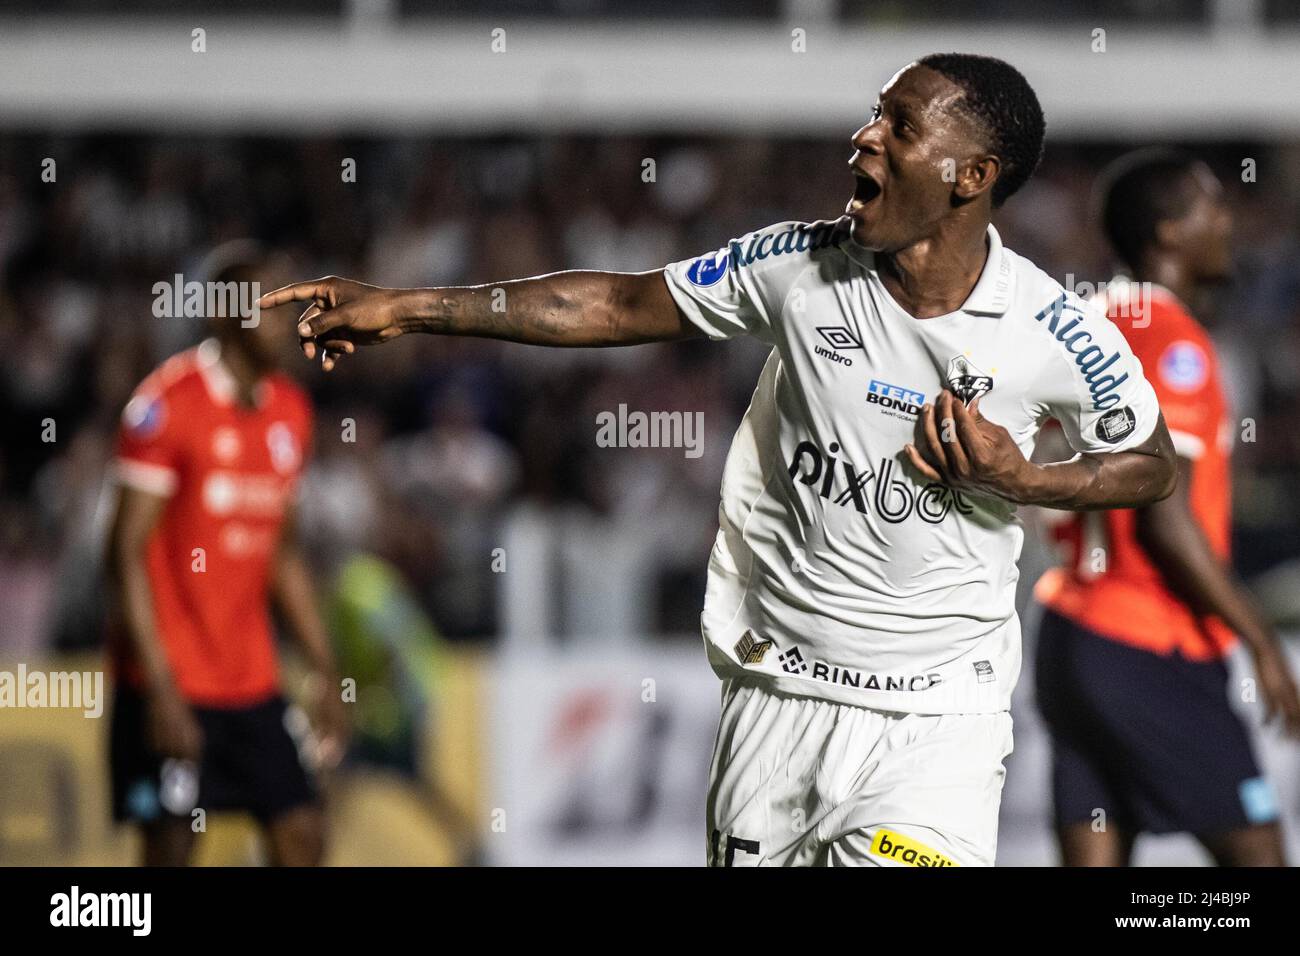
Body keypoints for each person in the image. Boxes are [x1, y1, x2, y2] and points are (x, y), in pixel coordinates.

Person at [260, 53, 1176, 866]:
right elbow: (617, 305)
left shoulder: (1053, 329)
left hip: (934, 722)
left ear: (971, 176)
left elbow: (1148, 460)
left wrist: (1025, 480)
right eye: (874, 113)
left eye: (899, 126)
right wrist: (409, 308)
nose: (863, 139)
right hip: (776, 692)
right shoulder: (800, 266)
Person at [1033, 149, 1300, 866]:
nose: (1228, 221)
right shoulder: (1171, 340)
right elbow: (1164, 514)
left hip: (1071, 632)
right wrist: (1262, 641)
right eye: (1212, 207)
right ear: (1170, 234)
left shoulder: (1088, 322)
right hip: (1152, 640)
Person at [106, 243, 348, 866]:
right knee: (168, 851)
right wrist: (159, 688)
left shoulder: (291, 412)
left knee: (302, 836)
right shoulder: (165, 406)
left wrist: (325, 667)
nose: (286, 320)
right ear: (223, 316)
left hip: (252, 682)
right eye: (267, 306)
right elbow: (125, 555)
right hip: (170, 681)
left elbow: (283, 554)